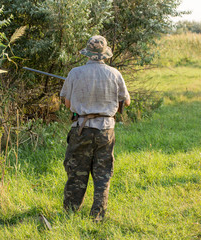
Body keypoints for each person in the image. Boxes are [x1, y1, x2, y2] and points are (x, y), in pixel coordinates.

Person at [60, 35, 130, 222]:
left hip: (81, 130)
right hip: (106, 130)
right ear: (104, 54)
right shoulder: (115, 74)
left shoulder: (74, 73)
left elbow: (67, 104)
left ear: (88, 54)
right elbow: (126, 100)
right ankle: (98, 215)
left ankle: (70, 213)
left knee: (76, 172)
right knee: (103, 174)